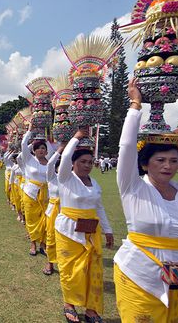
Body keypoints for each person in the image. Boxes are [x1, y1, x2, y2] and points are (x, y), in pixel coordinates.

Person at [113, 78, 178, 322]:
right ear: (145, 164)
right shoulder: (133, 187)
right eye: (160, 160)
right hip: (137, 275)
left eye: (174, 160)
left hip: (176, 282)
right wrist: (135, 105)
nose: (168, 166)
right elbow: (126, 146)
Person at [56, 129, 113, 323]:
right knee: (70, 269)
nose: (87, 165)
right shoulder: (66, 178)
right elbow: (64, 158)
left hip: (91, 230)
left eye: (90, 162)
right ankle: (69, 304)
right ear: (73, 163)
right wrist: (76, 137)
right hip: (68, 231)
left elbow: (99, 207)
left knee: (92, 269)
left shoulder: (94, 183)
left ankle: (91, 309)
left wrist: (108, 230)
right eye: (83, 161)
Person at [21, 124, 54, 256]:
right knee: (31, 220)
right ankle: (33, 244)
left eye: (43, 148)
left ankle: (43, 244)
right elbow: (24, 144)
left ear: (46, 151)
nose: (41, 150)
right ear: (33, 151)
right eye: (38, 148)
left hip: (47, 195)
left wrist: (45, 137)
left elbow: (53, 150)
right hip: (31, 194)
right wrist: (30, 131)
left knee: (45, 220)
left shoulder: (50, 162)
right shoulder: (29, 160)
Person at [43, 144, 64, 276]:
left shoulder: (71, 180)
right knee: (51, 237)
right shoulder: (52, 178)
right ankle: (50, 262)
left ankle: (64, 264)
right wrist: (60, 150)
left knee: (65, 238)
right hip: (52, 211)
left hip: (67, 213)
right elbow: (50, 163)